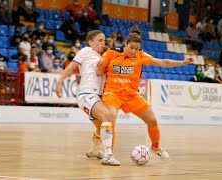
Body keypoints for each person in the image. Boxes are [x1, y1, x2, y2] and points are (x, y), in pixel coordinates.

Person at [97, 33, 193, 161]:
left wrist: (182, 62)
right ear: (125, 43)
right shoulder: (111, 53)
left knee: (152, 120)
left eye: (137, 48)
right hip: (112, 93)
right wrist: (99, 66)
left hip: (132, 95)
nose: (134, 51)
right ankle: (108, 154)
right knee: (110, 118)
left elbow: (163, 62)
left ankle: (156, 147)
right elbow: (99, 72)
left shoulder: (141, 55)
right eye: (131, 47)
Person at [55, 30, 120, 166]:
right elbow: (71, 67)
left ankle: (94, 151)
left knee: (101, 126)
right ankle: (108, 156)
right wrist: (60, 82)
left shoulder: (103, 57)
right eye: (99, 40)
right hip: (87, 94)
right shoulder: (86, 51)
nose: (103, 43)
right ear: (90, 42)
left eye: (104, 41)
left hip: (98, 97)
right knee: (108, 117)